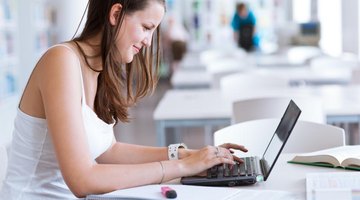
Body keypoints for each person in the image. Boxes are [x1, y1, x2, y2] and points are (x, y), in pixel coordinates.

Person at [0, 0, 247, 199]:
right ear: (116, 14)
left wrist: (186, 155)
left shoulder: (99, 69)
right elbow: (82, 180)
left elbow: (109, 150)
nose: (149, 42)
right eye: (147, 28)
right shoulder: (60, 61)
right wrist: (181, 168)